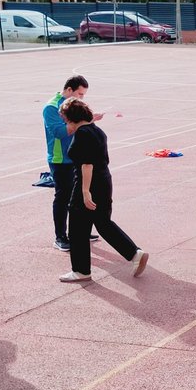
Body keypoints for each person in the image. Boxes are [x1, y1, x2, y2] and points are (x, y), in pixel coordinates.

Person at [58, 99, 148, 283]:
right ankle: (134, 253)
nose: (65, 124)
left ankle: (81, 270)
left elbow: (87, 165)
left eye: (66, 120)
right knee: (103, 222)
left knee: (77, 228)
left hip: (89, 183)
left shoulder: (82, 134)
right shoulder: (98, 131)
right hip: (104, 181)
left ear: (72, 118)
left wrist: (84, 191)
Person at [43, 75, 100, 252]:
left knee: (80, 195)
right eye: (79, 94)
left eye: (83, 95)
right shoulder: (51, 108)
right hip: (60, 159)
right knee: (63, 197)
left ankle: (81, 230)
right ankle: (60, 236)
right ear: (68, 90)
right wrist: (87, 121)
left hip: (76, 156)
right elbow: (60, 132)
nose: (81, 98)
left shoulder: (73, 106)